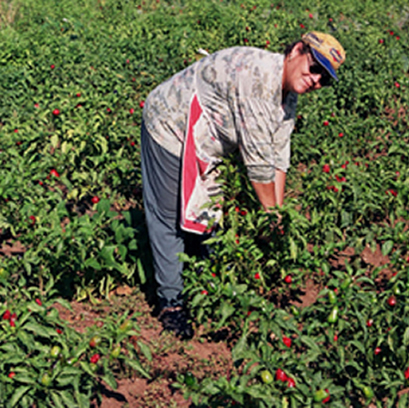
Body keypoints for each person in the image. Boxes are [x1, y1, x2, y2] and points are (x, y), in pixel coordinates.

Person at [140, 31, 345, 339]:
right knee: (167, 216)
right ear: (297, 51)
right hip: (170, 122)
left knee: (204, 211)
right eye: (314, 67)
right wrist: (272, 215)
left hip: (207, 137)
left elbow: (278, 158)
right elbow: (258, 165)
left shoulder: (288, 97)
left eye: (324, 79)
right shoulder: (258, 78)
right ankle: (172, 303)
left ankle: (205, 284)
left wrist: (277, 213)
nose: (316, 80)